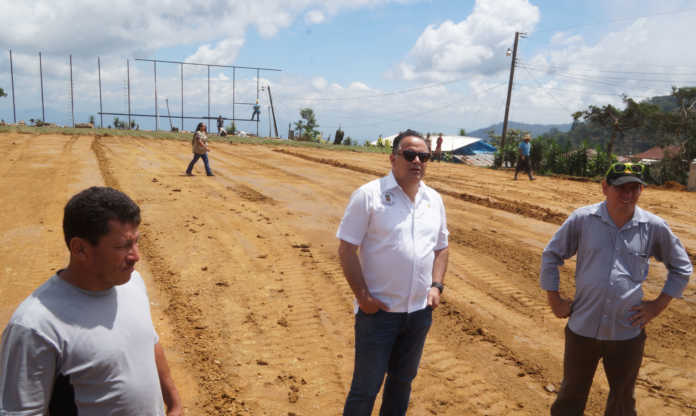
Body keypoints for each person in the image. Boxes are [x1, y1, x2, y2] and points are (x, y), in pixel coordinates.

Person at [0, 186, 182, 415]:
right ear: (80, 249)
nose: (136, 256)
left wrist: (174, 402)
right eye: (123, 246)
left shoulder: (132, 282)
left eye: (136, 242)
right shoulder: (35, 327)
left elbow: (149, 342)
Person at [540, 162, 692, 416]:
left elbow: (682, 267)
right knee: (570, 396)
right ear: (604, 188)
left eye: (635, 188)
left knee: (622, 401)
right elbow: (551, 256)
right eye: (621, 188)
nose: (628, 195)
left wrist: (656, 306)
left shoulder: (653, 226)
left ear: (641, 190)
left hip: (626, 333)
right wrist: (554, 299)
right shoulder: (583, 220)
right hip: (583, 329)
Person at [337, 129, 449, 415]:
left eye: (423, 156)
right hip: (379, 315)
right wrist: (363, 298)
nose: (417, 161)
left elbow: (441, 247)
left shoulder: (433, 199)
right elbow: (347, 249)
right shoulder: (369, 195)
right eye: (409, 154)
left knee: (401, 384)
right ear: (392, 158)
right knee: (365, 389)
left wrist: (436, 286)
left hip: (418, 314)